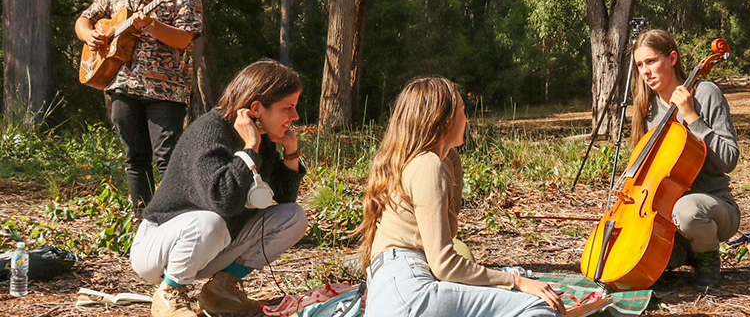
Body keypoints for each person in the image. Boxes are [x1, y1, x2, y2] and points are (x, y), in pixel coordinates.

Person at [357, 76, 564, 316]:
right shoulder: (427, 165)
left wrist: (452, 159)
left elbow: (448, 231)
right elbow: (444, 263)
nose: (466, 119)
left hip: (393, 294)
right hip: (411, 290)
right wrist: (516, 282)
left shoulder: (415, 162)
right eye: (462, 111)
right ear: (444, 121)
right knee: (539, 306)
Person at [129, 60, 309, 317]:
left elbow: (284, 199)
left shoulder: (260, 139)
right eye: (288, 108)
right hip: (160, 249)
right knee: (210, 222)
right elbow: (223, 201)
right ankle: (169, 294)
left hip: (210, 244)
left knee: (293, 217)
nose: (295, 117)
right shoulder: (209, 131)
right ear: (257, 108)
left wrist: (291, 152)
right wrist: (249, 149)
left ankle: (221, 290)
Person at [74, 0, 203, 214]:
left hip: (166, 89)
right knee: (135, 157)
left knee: (168, 157)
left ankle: (174, 218)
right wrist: (88, 36)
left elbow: (184, 39)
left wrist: (151, 25)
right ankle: (142, 219)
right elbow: (84, 19)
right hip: (122, 85)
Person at [630, 29, 740, 288]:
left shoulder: (705, 94)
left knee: (687, 211)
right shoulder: (648, 107)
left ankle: (708, 259)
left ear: (672, 58)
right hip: (664, 212)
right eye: (639, 65)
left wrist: (692, 118)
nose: (645, 71)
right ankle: (685, 252)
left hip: (712, 205)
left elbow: (729, 160)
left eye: (651, 61)